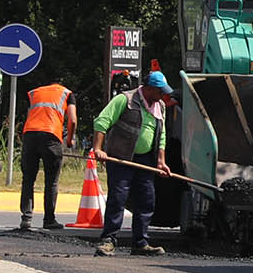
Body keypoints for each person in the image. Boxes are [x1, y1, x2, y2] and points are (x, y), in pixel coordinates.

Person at [89, 70, 175, 256]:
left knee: (146, 200)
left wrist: (161, 161)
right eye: (160, 91)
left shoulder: (160, 105)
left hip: (146, 159)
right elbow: (102, 122)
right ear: (149, 89)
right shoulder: (125, 100)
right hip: (121, 156)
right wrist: (98, 149)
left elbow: (162, 135)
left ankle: (140, 243)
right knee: (118, 198)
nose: (163, 95)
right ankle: (108, 240)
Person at [17, 75, 77, 232]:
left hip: (29, 135)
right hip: (51, 136)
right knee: (51, 181)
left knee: (28, 179)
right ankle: (49, 220)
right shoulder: (67, 94)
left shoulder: (35, 92)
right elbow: (73, 120)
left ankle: (26, 219)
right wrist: (70, 140)